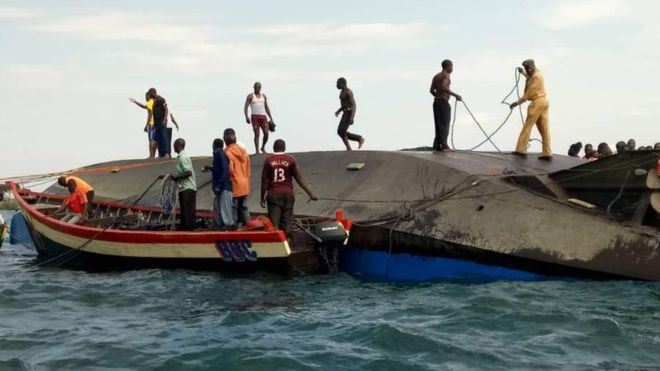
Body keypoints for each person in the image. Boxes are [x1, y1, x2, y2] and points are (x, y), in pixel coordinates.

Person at [260, 139, 317, 235]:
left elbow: (265, 180)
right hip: (288, 195)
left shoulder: (269, 160)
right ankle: (289, 241)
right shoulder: (291, 160)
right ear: (284, 148)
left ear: (273, 148)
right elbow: (299, 178)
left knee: (274, 223)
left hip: (274, 195)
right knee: (287, 222)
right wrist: (310, 194)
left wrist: (262, 197)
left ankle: (277, 243)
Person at [510, 59, 552, 160]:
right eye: (526, 69)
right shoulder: (536, 73)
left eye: (527, 69)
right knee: (544, 129)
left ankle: (521, 150)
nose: (527, 70)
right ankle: (547, 153)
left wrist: (517, 103)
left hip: (537, 102)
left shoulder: (536, 77)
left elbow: (529, 93)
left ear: (531, 67)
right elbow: (530, 77)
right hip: (544, 101)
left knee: (528, 126)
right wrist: (523, 73)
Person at [429, 59, 462, 152]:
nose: (452, 68)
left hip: (436, 102)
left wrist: (438, 97)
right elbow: (443, 87)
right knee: (444, 124)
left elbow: (431, 90)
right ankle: (444, 146)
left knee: (438, 124)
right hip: (443, 103)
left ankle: (437, 145)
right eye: (451, 66)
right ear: (447, 66)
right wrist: (456, 95)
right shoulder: (446, 75)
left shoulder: (436, 76)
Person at [203, 138, 234, 230]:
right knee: (220, 208)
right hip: (222, 187)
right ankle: (222, 227)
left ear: (214, 145)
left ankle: (228, 227)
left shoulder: (220, 155)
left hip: (223, 187)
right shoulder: (220, 155)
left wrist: (219, 186)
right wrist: (211, 168)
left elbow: (225, 171)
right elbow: (220, 170)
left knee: (225, 209)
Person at [166, 138, 197, 231]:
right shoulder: (181, 157)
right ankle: (184, 230)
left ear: (178, 145)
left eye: (174, 145)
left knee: (188, 213)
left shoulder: (183, 158)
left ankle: (189, 232)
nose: (173, 147)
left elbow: (188, 172)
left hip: (188, 188)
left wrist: (176, 177)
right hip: (184, 188)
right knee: (184, 212)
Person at [224, 128, 251, 227]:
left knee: (233, 208)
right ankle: (250, 227)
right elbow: (248, 168)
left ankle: (233, 229)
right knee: (244, 207)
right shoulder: (244, 152)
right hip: (244, 183)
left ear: (226, 139)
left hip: (234, 184)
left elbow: (229, 170)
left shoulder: (227, 153)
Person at [244, 82, 275, 154]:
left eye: (259, 87)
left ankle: (263, 147)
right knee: (257, 134)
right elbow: (246, 107)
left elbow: (266, 107)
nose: (257, 88)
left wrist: (271, 118)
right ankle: (257, 151)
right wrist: (246, 116)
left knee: (266, 133)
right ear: (254, 87)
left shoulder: (263, 96)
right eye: (256, 87)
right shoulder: (250, 96)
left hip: (263, 116)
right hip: (255, 117)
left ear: (260, 88)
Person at [335, 77, 365, 151]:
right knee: (340, 131)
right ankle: (358, 138)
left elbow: (354, 105)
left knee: (342, 131)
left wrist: (352, 117)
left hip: (349, 113)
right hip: (345, 113)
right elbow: (344, 105)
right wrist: (339, 110)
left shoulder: (348, 92)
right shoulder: (342, 92)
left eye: (337, 83)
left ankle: (351, 146)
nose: (336, 85)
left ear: (342, 83)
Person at [129, 92, 157, 159]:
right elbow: (144, 106)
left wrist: (146, 125)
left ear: (149, 96)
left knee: (151, 140)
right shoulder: (153, 101)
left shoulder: (150, 102)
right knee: (155, 140)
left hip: (151, 123)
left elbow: (150, 115)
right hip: (156, 123)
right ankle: (153, 155)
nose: (145, 98)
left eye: (146, 96)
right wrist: (135, 102)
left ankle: (151, 156)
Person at [146, 88, 172, 158]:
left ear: (153, 93)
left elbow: (166, 109)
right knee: (158, 138)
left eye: (150, 93)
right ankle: (161, 154)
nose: (149, 95)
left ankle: (166, 153)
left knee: (164, 137)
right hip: (156, 122)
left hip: (162, 121)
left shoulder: (161, 99)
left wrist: (165, 119)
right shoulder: (153, 101)